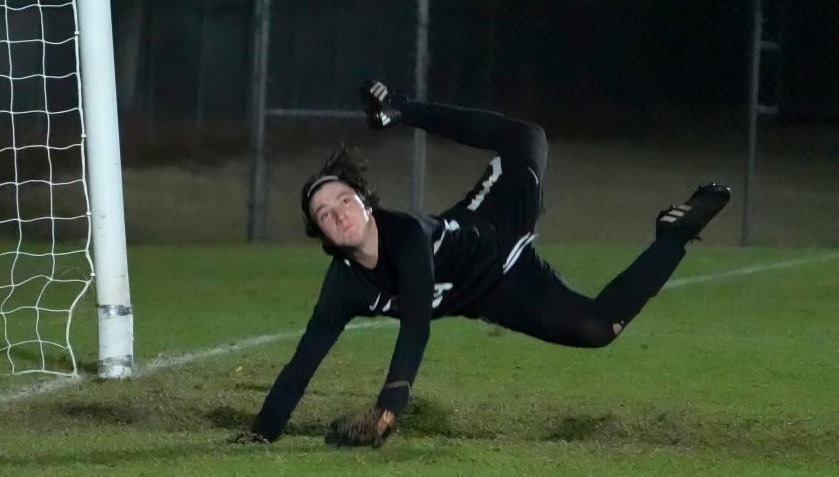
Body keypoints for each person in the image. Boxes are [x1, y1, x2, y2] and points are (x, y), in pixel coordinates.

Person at [237, 81, 731, 447]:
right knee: (600, 328)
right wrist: (262, 434)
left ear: (366, 201)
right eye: (323, 214)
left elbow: (415, 328)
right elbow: (305, 357)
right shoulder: (342, 286)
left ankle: (401, 107)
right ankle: (674, 236)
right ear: (319, 233)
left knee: (527, 137)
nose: (337, 214)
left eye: (344, 200)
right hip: (497, 288)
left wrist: (387, 411)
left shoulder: (406, 235)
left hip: (494, 222)